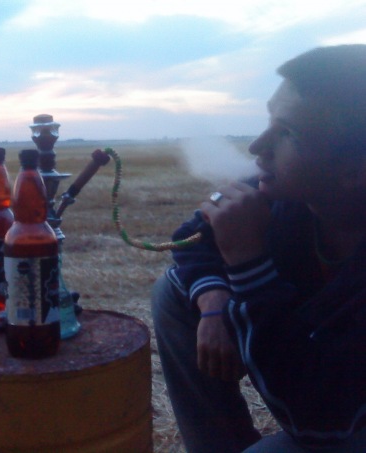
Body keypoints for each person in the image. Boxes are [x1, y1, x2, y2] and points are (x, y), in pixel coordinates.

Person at [151, 44, 366, 452]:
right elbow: (191, 238)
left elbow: (320, 422)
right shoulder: (282, 195)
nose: (256, 147)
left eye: (287, 134)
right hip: (315, 391)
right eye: (269, 121)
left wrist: (248, 263)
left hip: (340, 419)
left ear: (355, 171)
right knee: (175, 290)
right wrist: (214, 303)